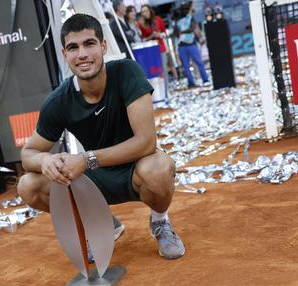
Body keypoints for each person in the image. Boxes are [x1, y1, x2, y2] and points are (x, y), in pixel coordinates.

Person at [17, 14, 185, 260]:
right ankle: (104, 223)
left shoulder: (127, 72)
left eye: (89, 44)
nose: (82, 54)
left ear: (103, 46)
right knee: (29, 185)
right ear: (65, 54)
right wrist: (45, 162)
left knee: (158, 169)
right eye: (73, 47)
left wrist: (86, 160)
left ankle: (160, 221)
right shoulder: (58, 101)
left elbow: (147, 142)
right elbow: (28, 154)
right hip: (95, 178)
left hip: (136, 169)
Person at [138, 4, 177, 84]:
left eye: (146, 11)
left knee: (164, 69)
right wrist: (151, 36)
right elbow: (142, 39)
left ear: (150, 11)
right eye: (143, 12)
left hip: (161, 47)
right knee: (155, 70)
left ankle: (166, 89)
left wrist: (160, 35)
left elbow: (164, 33)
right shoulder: (141, 24)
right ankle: (159, 89)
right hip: (150, 50)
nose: (144, 13)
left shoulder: (158, 19)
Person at [174, 2, 208, 88]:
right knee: (190, 64)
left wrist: (182, 32)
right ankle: (195, 81)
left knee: (194, 63)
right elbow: (192, 29)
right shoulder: (181, 20)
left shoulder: (186, 19)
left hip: (187, 45)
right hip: (187, 45)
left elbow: (192, 29)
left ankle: (202, 80)